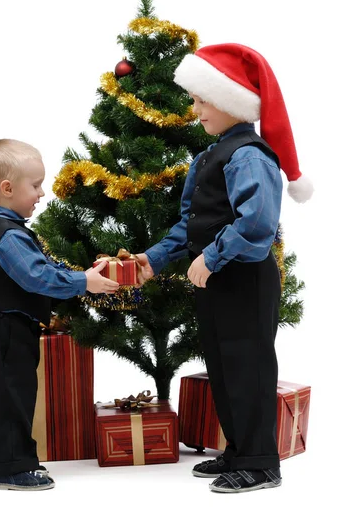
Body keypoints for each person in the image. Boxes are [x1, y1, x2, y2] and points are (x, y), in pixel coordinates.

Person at [136, 44, 313, 493]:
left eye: (201, 100)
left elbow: (256, 221)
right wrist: (153, 260)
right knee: (223, 364)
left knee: (248, 366)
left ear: (231, 99)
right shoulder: (212, 155)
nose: (194, 111)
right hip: (215, 281)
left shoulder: (250, 155)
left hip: (243, 279)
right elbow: (190, 223)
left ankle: (260, 463)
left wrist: (211, 258)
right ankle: (238, 448)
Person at [0, 138, 119, 491]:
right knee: (8, 397)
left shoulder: (11, 230)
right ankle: (12, 469)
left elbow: (42, 268)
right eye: (35, 185)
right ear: (7, 189)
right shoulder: (7, 237)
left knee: (14, 394)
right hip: (5, 328)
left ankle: (5, 462)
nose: (41, 193)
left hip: (10, 327)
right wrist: (84, 281)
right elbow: (38, 277)